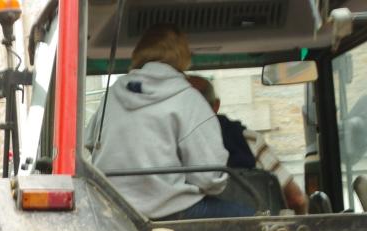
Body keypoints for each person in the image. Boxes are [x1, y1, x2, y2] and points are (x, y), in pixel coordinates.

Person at [84, 24, 252, 220]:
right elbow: (209, 178)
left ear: (138, 53)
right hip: (172, 211)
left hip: (113, 209)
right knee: (256, 219)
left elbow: (89, 145)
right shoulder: (189, 100)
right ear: (183, 56)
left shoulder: (112, 95)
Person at [186, 75, 307, 214]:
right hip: (255, 226)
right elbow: (297, 199)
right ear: (216, 105)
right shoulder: (250, 140)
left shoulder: (168, 147)